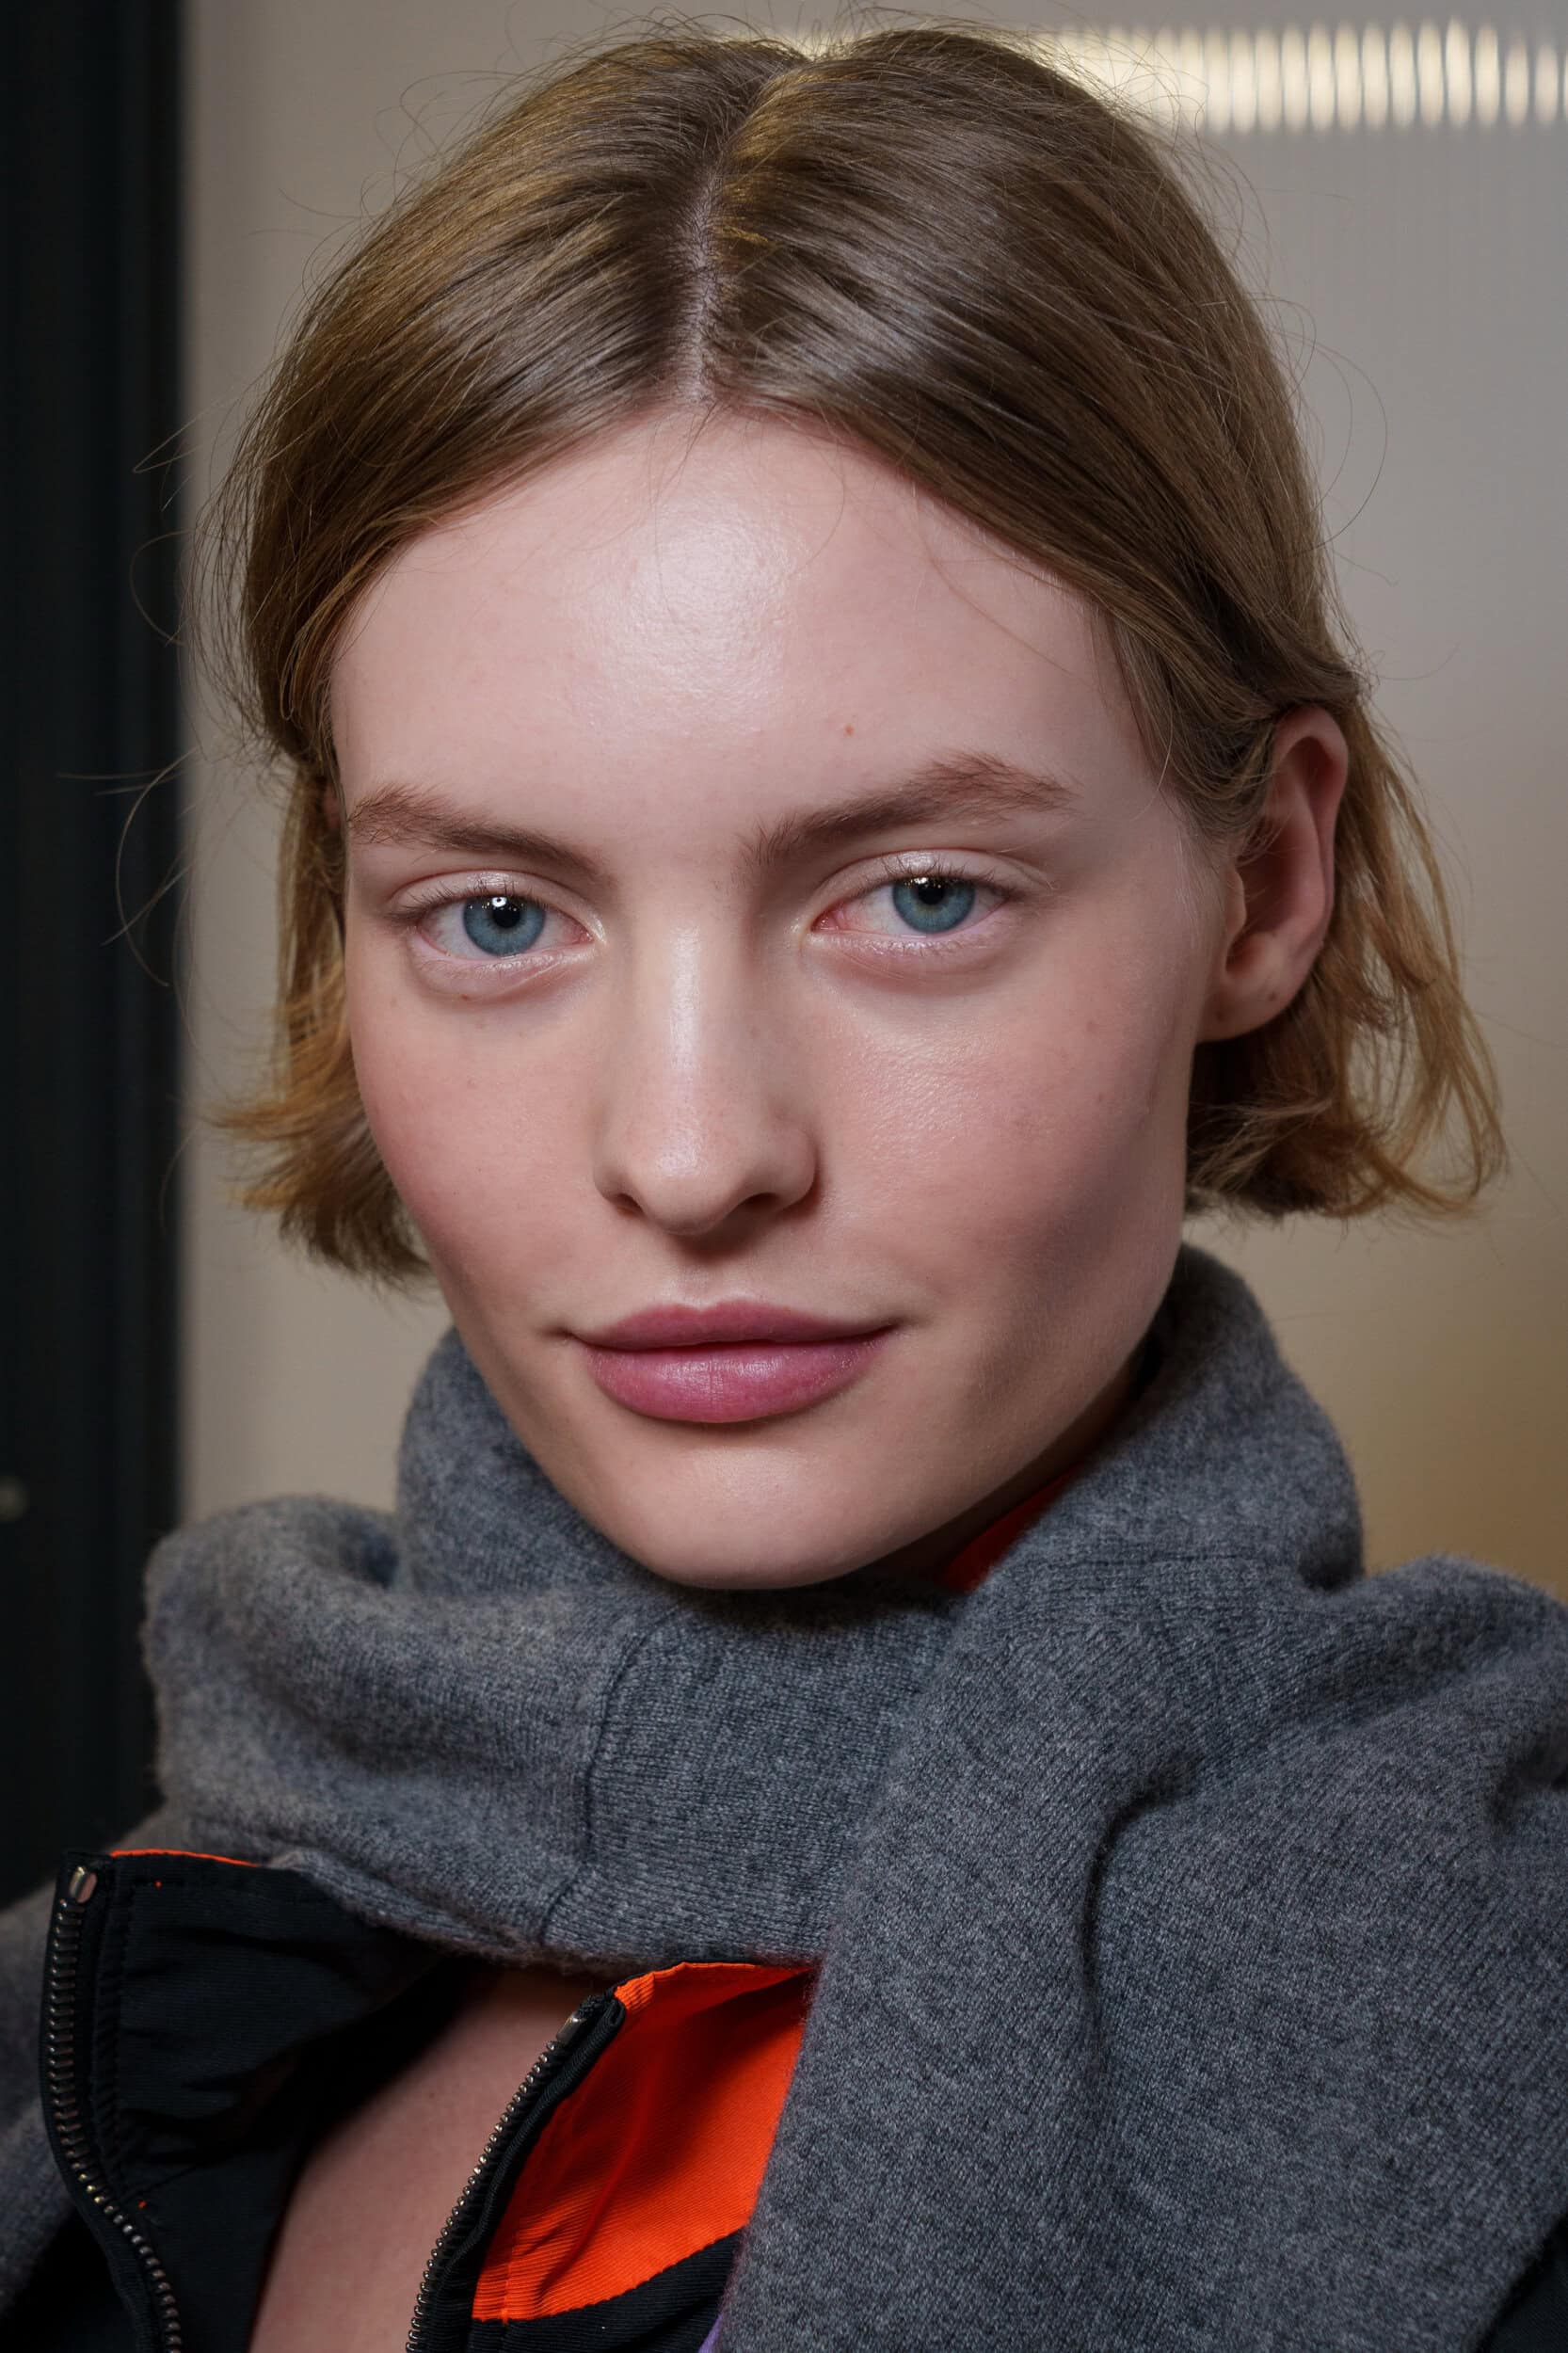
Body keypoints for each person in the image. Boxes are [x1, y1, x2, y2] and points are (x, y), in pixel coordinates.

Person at [1, 15, 1564, 2350]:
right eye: (498, 914)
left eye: (917, 895)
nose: (690, 1151)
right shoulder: (135, 1946)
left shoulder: (1503, 2010)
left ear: (1261, 878)